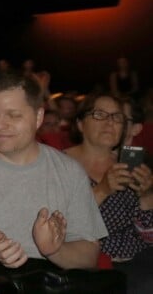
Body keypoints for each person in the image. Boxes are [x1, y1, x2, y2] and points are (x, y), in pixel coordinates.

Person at [0, 70, 118, 290]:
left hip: (45, 284)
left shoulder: (69, 172)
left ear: (38, 117)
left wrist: (54, 250)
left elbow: (89, 256)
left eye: (13, 115)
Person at [64, 94, 153, 294]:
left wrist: (147, 196)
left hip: (141, 257)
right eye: (99, 114)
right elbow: (59, 225)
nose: (109, 122)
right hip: (95, 266)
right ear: (80, 123)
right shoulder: (60, 165)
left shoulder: (132, 164)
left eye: (117, 117)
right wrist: (102, 190)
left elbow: (149, 236)